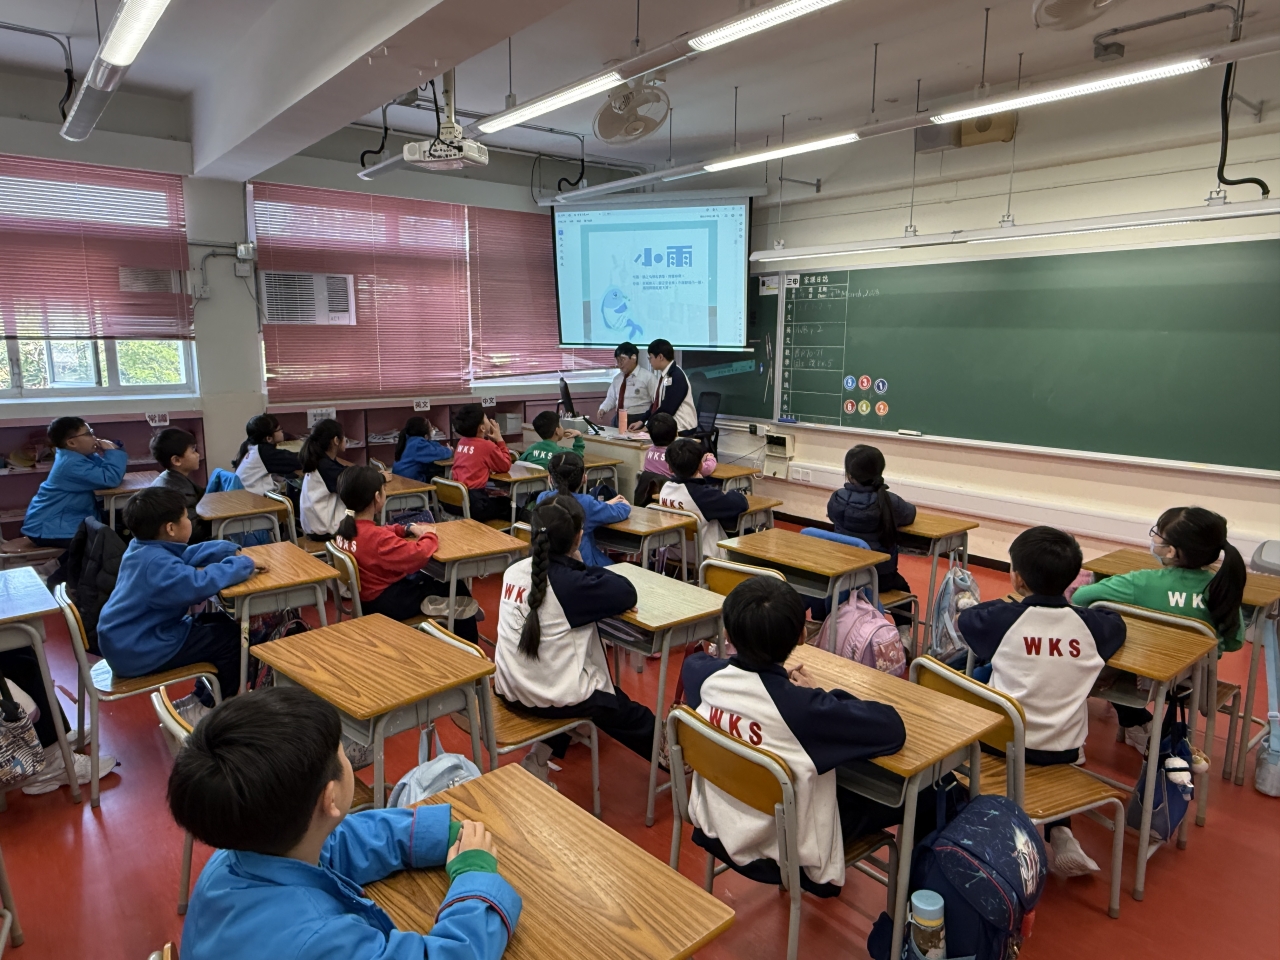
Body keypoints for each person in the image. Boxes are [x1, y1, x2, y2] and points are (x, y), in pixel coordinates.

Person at [168, 685, 521, 960]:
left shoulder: (236, 855)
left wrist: (429, 835)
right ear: (331, 797)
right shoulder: (320, 941)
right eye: (341, 750)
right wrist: (475, 880)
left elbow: (334, 842)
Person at [681, 577, 907, 897]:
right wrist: (819, 693)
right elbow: (892, 728)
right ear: (802, 635)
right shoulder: (805, 711)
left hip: (717, 825)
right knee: (924, 795)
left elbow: (711, 665)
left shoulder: (698, 674)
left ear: (727, 634)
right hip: (786, 852)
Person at [958, 526, 1126, 877]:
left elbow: (968, 619)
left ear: (1017, 578)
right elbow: (1116, 623)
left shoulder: (1002, 620)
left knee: (980, 679)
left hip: (999, 746)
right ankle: (1062, 834)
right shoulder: (1092, 627)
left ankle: (997, 837)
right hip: (1063, 750)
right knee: (1050, 746)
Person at [494, 496, 656, 784]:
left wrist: (572, 567)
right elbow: (626, 591)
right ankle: (676, 756)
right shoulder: (571, 585)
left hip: (510, 687)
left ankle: (538, 759)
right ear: (579, 537)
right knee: (620, 709)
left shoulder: (513, 571)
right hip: (547, 697)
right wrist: (578, 565)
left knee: (562, 672)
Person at [1071, 506, 1247, 751]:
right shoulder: (1222, 588)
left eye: (1158, 534)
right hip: (1195, 681)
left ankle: (1134, 722)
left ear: (1171, 551)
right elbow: (1235, 641)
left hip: (1141, 674)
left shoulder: (1142, 582)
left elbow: (1081, 597)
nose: (1154, 539)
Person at [97, 487, 263, 726]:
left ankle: (199, 699)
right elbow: (199, 583)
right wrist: (244, 564)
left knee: (219, 623)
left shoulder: (142, 548)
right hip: (138, 649)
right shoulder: (157, 565)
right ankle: (211, 709)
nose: (190, 521)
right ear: (171, 528)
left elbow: (186, 555)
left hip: (130, 639)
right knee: (232, 641)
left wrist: (228, 550)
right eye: (186, 517)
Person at [332, 466, 479, 642]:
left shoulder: (344, 529)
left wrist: (406, 528)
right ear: (377, 497)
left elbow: (379, 532)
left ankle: (438, 607)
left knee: (431, 580)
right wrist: (429, 535)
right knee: (455, 587)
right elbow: (419, 555)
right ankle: (470, 648)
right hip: (391, 603)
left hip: (368, 600)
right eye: (384, 489)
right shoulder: (377, 540)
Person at [21, 416, 128, 581]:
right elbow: (110, 478)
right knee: (100, 544)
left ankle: (55, 566)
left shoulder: (77, 457)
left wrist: (109, 452)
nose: (94, 437)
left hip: (62, 522)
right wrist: (113, 453)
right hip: (48, 527)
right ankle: (53, 580)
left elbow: (102, 472)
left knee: (113, 530)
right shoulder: (71, 464)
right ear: (71, 443)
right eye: (88, 434)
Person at [827, 444, 917, 595]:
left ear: (850, 475)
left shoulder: (837, 498)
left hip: (841, 575)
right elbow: (910, 514)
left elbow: (832, 517)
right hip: (879, 578)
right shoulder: (889, 501)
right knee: (903, 590)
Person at [534, 452, 630, 568]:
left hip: (549, 561)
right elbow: (619, 512)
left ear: (550, 479)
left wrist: (603, 504)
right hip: (585, 565)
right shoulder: (587, 503)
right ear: (584, 478)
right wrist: (624, 504)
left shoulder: (542, 498)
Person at [658, 438, 748, 561]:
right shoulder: (702, 496)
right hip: (703, 557)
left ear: (669, 468)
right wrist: (731, 492)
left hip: (671, 552)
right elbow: (741, 503)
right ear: (701, 465)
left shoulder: (665, 488)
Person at [449, 404, 513, 523]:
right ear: (482, 428)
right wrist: (499, 439)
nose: (489, 420)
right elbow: (505, 465)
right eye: (486, 418)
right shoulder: (486, 446)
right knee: (508, 504)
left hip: (455, 500)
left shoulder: (462, 442)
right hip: (474, 504)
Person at [150, 427, 210, 543]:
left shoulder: (169, 476)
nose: (198, 455)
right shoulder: (177, 490)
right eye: (193, 451)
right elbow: (193, 531)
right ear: (176, 460)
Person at [628, 338, 697, 432]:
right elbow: (656, 405)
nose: (649, 361)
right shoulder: (664, 376)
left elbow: (668, 408)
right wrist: (641, 421)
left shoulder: (676, 376)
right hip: (668, 427)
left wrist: (647, 427)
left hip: (682, 428)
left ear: (660, 357)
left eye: (651, 357)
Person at [299, 419, 348, 540]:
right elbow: (351, 480)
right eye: (343, 436)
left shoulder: (318, 459)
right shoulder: (325, 466)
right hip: (324, 530)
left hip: (315, 526)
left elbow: (344, 471)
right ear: (336, 440)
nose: (346, 439)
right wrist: (379, 477)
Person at [233, 414, 300, 495]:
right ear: (269, 438)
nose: (282, 431)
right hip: (254, 499)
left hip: (245, 496)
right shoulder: (264, 452)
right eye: (279, 429)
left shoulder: (250, 446)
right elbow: (298, 460)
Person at [597, 342, 657, 427]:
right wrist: (603, 408)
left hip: (639, 419)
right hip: (619, 418)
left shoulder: (648, 377)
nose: (619, 364)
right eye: (617, 360)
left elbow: (656, 401)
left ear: (633, 358)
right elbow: (611, 398)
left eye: (622, 360)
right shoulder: (617, 379)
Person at [642, 412, 716, 479]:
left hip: (654, 489)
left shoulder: (649, 452)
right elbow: (705, 469)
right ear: (676, 434)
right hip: (675, 489)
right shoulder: (677, 454)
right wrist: (710, 458)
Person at [391, 416, 452, 483]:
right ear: (424, 431)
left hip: (401, 477)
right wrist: (449, 450)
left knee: (433, 469)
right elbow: (439, 454)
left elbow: (432, 445)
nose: (432, 429)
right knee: (441, 475)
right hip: (410, 480)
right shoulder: (418, 444)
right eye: (431, 427)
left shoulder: (409, 440)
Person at [519, 411, 584, 468]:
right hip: (553, 478)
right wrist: (578, 437)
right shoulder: (562, 452)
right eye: (560, 425)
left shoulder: (532, 448)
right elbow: (578, 457)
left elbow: (519, 463)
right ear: (557, 431)